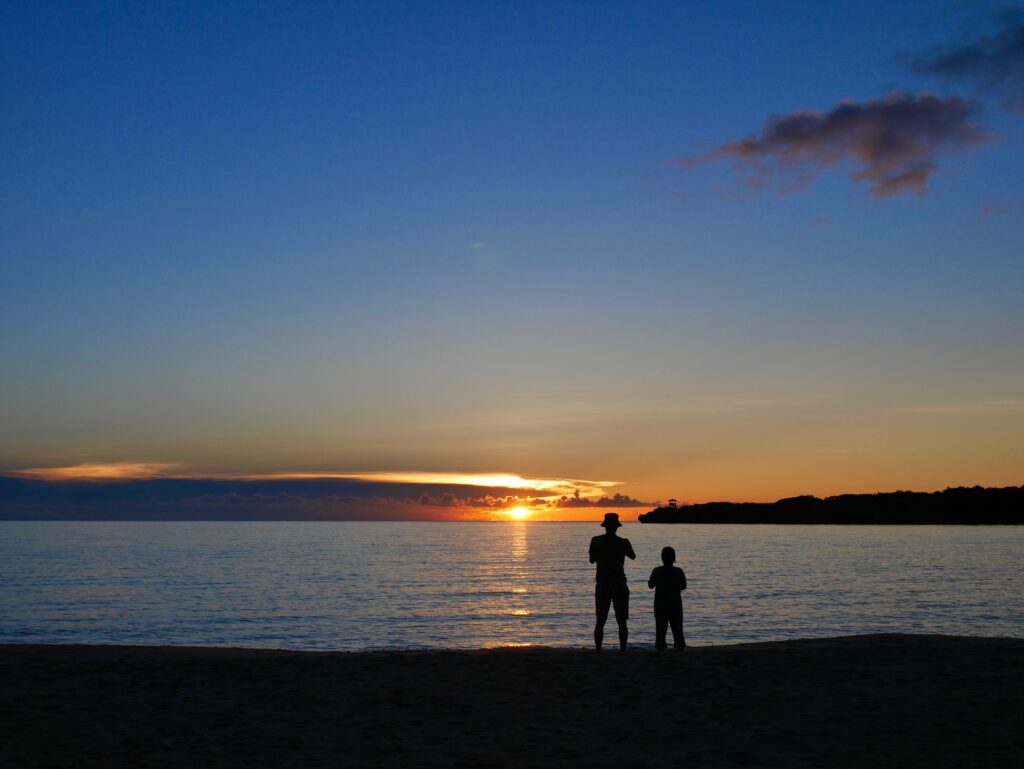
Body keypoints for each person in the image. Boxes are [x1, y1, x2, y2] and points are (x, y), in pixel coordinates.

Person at [588, 512, 636, 652]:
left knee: (600, 620)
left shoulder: (595, 540)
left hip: (603, 584)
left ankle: (598, 650)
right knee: (622, 621)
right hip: (619, 583)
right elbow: (632, 556)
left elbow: (591, 560)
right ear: (617, 527)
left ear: (605, 526)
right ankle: (623, 650)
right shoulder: (623, 542)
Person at [647, 546, 687, 650]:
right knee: (677, 628)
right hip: (675, 603)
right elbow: (683, 586)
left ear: (662, 558)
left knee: (660, 628)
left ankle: (660, 647)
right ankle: (679, 646)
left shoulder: (657, 570)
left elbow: (650, 585)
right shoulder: (678, 571)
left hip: (660, 604)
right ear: (674, 558)